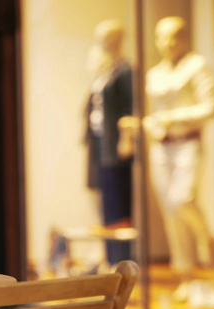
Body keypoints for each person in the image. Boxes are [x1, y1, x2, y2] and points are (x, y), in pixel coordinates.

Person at [144, 16, 214, 302]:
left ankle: (207, 237)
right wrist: (150, 123)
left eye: (174, 36)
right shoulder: (155, 73)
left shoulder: (196, 66)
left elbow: (211, 107)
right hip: (161, 147)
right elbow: (154, 110)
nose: (167, 43)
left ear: (185, 37)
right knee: (170, 213)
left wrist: (172, 117)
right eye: (162, 37)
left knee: (182, 198)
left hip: (188, 143)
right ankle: (185, 274)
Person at [84, 19, 134, 268]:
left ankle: (122, 260)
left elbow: (129, 108)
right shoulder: (105, 70)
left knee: (118, 203)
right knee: (105, 202)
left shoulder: (125, 71)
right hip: (99, 145)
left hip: (115, 148)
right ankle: (110, 257)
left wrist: (126, 139)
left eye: (107, 37)